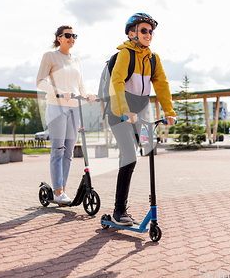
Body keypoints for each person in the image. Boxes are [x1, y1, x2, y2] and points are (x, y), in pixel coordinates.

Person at [106, 13, 176, 225]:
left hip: (141, 113)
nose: (148, 34)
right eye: (144, 30)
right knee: (129, 157)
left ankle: (139, 209)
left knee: (147, 152)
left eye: (151, 31)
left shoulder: (153, 58)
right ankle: (119, 211)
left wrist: (169, 112)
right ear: (132, 33)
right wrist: (125, 111)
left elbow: (161, 85)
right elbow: (116, 82)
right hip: (120, 113)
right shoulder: (125, 54)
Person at [36, 25, 96, 204]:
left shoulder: (76, 60)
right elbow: (40, 81)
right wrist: (57, 91)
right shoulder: (50, 56)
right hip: (56, 107)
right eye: (68, 35)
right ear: (59, 38)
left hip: (74, 108)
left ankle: (62, 190)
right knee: (58, 150)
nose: (72, 38)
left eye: (74, 35)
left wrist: (89, 94)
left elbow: (81, 85)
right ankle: (56, 191)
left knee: (69, 150)